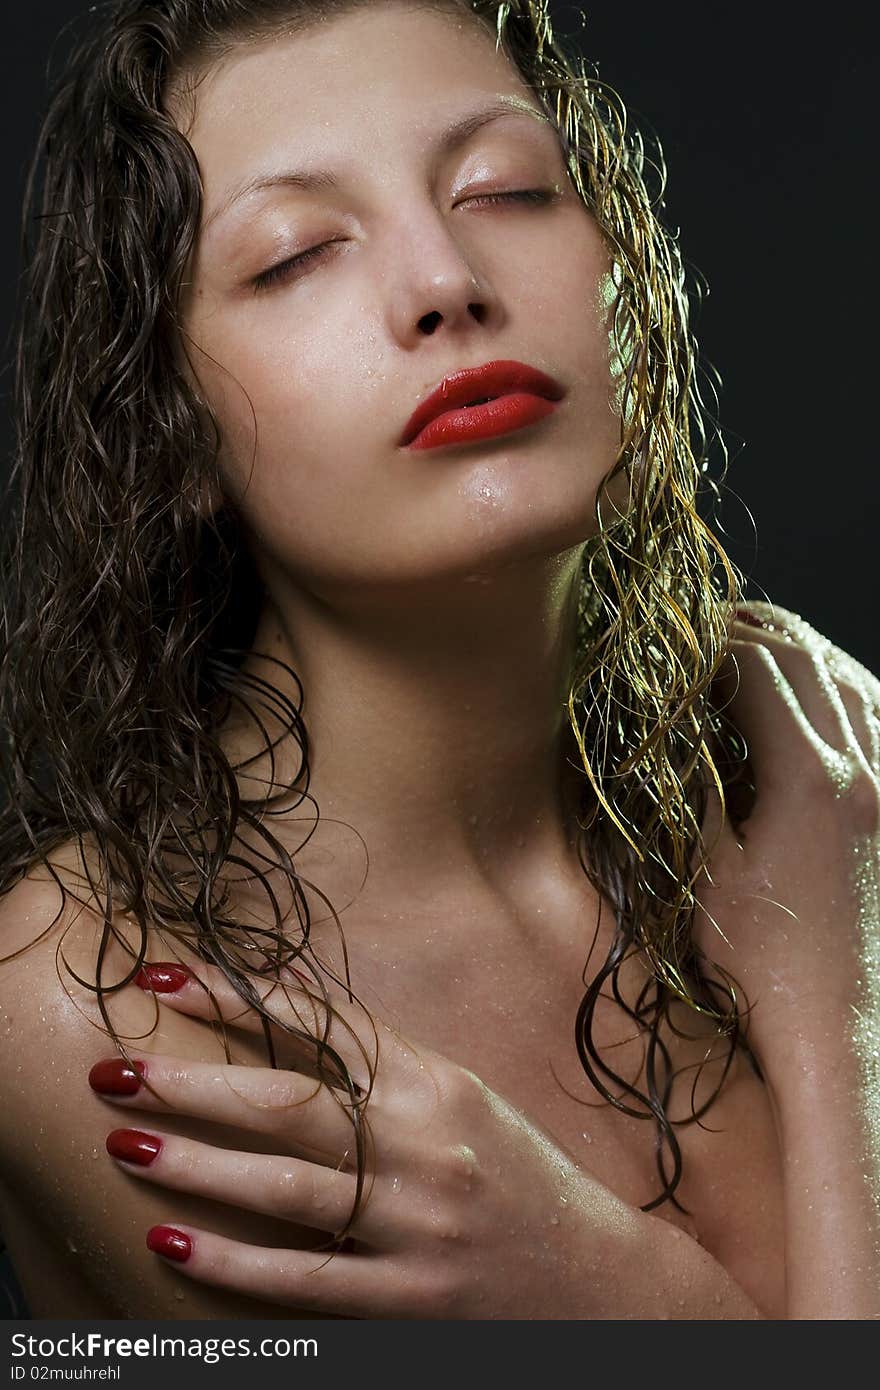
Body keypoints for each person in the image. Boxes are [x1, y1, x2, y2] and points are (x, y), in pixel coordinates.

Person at [0, 0, 878, 1321]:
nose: (445, 280)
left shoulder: (830, 793)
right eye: (294, 257)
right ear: (165, 432)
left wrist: (831, 1000)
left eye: (507, 189)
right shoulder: (93, 999)